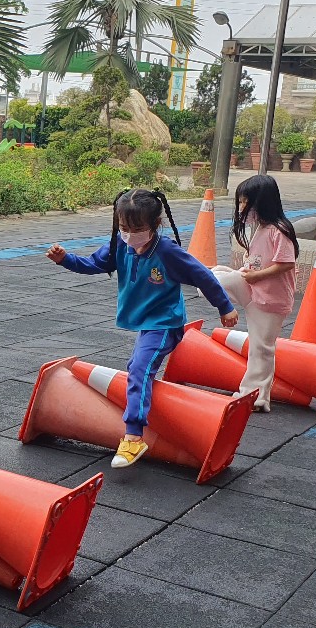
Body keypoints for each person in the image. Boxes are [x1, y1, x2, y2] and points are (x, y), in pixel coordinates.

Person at [46, 188, 238, 468]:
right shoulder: (120, 245)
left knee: (139, 369)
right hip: (146, 323)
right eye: (124, 228)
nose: (129, 235)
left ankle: (134, 437)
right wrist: (65, 259)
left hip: (165, 323)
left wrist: (225, 307)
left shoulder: (167, 252)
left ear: (155, 224)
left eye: (137, 229)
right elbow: (93, 264)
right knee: (138, 367)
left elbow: (202, 276)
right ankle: (145, 414)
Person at [209, 175, 299, 412]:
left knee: (261, 347)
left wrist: (257, 276)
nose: (241, 207)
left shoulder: (278, 230)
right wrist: (249, 273)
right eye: (240, 201)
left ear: (262, 202)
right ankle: (207, 285)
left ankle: (256, 396)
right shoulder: (260, 227)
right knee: (218, 276)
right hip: (255, 289)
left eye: (245, 202)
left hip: (270, 299)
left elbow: (286, 263)